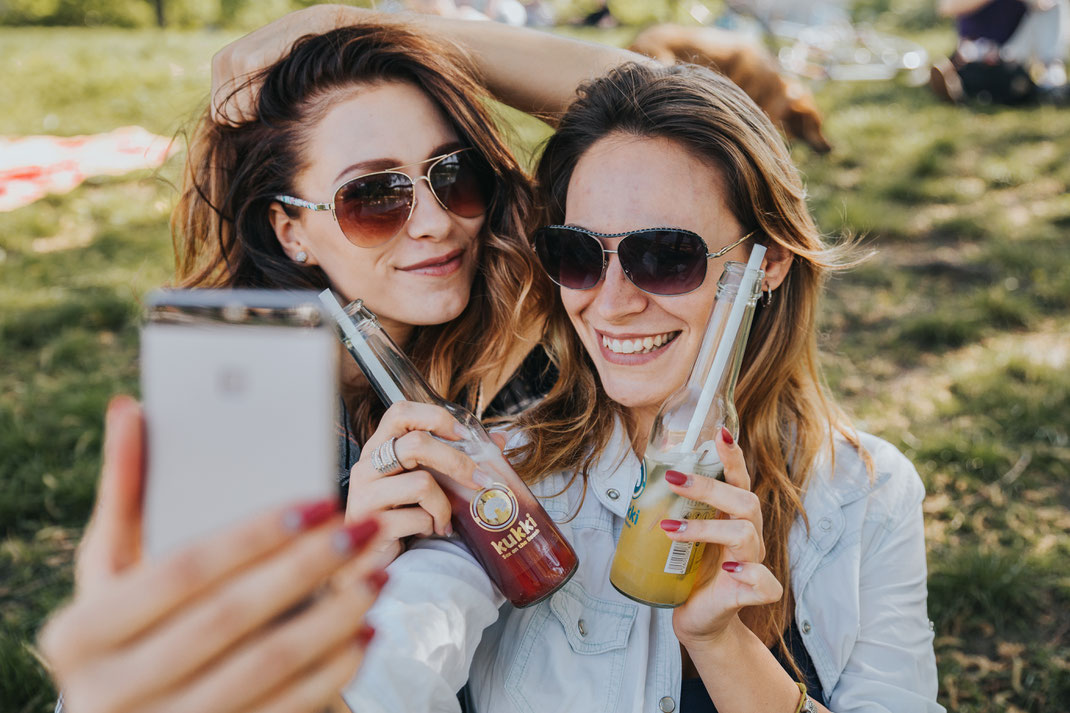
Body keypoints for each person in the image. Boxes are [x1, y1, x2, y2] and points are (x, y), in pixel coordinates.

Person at [41, 17, 638, 711]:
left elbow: (676, 111)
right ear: (290, 230)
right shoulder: (246, 415)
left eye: (453, 174)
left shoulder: (527, 311)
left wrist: (376, 22)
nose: (435, 221)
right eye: (374, 197)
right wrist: (342, 565)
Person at [331, 45, 942, 713]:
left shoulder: (866, 492)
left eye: (665, 255)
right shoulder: (509, 481)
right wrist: (351, 589)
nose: (613, 302)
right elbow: (399, 663)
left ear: (767, 266)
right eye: (579, 254)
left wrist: (723, 644)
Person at [930, 0, 1069, 103]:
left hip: (1013, 48)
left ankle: (1051, 77)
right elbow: (946, 8)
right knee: (977, 62)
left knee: (1053, 4)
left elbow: (1043, 6)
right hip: (978, 47)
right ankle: (958, 84)